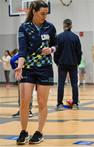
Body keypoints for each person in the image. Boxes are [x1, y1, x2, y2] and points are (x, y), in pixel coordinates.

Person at [15, 0, 56, 145]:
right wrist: (20, 66)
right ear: (34, 11)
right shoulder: (24, 27)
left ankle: (39, 132)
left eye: (46, 14)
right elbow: (22, 50)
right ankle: (23, 131)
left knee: (42, 102)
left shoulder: (50, 27)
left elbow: (55, 44)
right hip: (28, 68)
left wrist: (51, 50)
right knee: (25, 101)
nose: (44, 16)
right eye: (42, 13)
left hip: (45, 68)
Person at [54, 19, 82, 111]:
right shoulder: (75, 37)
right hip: (73, 63)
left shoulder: (59, 37)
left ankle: (59, 104)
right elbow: (79, 52)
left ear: (63, 25)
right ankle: (75, 104)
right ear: (71, 25)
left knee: (61, 84)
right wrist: (78, 62)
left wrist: (57, 62)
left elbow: (56, 52)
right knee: (74, 84)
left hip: (62, 63)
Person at [10, 49, 33, 118]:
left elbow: (12, 61)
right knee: (29, 94)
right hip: (33, 72)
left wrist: (16, 69)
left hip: (23, 74)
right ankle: (28, 110)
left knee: (22, 93)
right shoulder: (34, 49)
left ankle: (24, 111)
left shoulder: (22, 51)